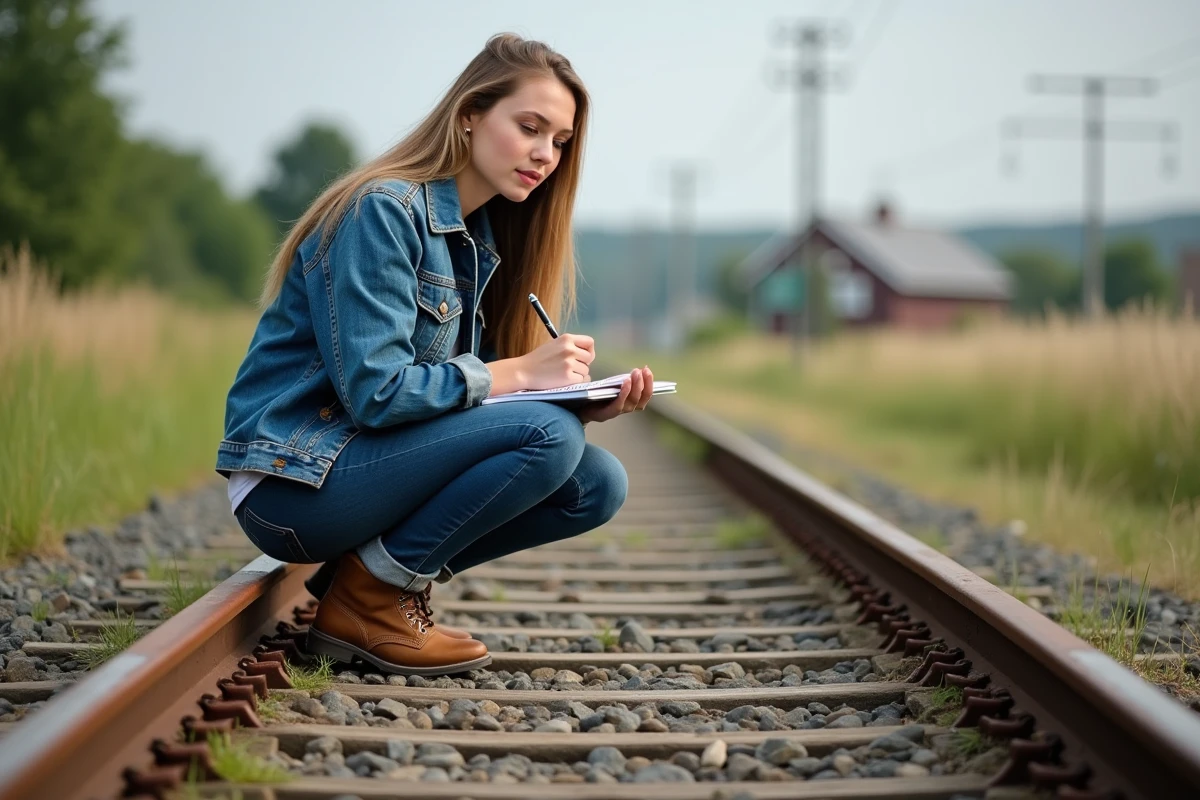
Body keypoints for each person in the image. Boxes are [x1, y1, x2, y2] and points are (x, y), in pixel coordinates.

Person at [215, 33, 654, 677]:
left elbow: (467, 414)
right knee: (547, 438)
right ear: (470, 113)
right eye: (530, 127)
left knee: (594, 484)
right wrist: (520, 375)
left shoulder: (475, 239)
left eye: (559, 141)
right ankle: (371, 600)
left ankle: (366, 584)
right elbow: (378, 393)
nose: (544, 154)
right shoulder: (382, 211)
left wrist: (576, 402)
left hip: (357, 470)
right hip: (293, 485)